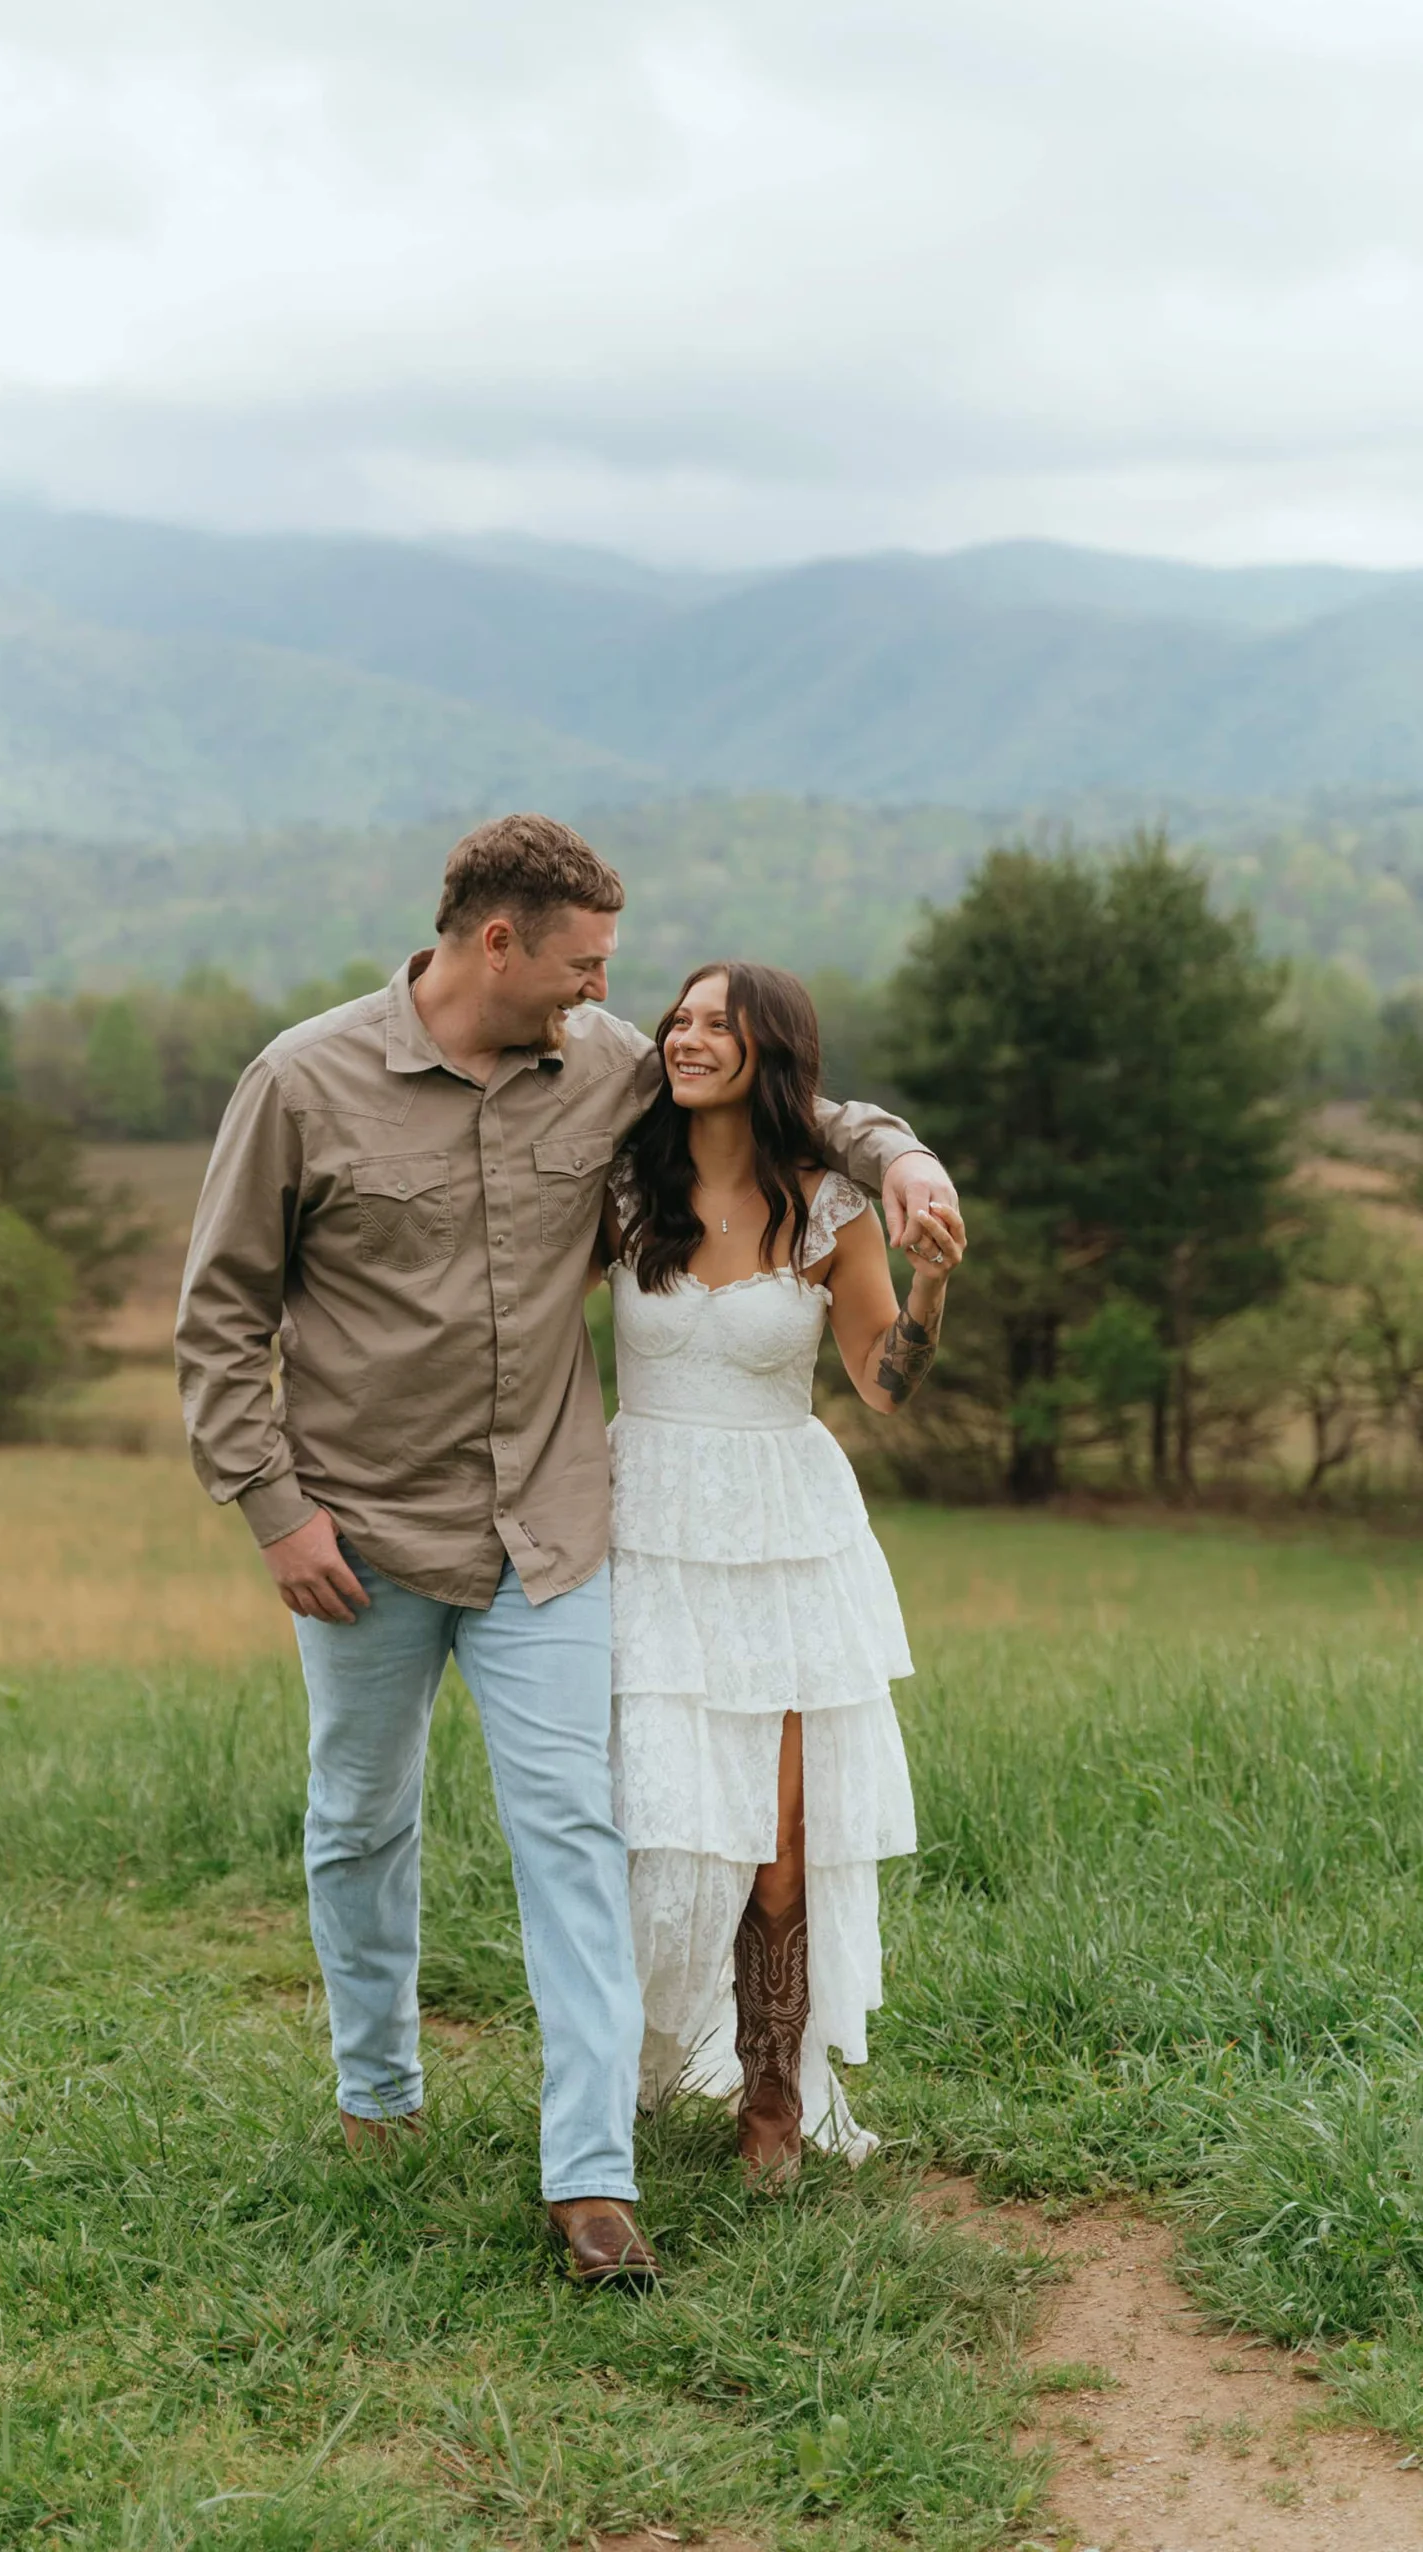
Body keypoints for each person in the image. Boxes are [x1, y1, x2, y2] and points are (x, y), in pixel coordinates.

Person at [175, 814, 963, 2284]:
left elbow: (794, 1104)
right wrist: (272, 1509)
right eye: (588, 966)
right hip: (359, 1533)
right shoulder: (302, 1079)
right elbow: (220, 1314)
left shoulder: (595, 1064)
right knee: (360, 1821)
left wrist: (901, 1156)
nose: (613, 998)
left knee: (576, 1839)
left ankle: (590, 2179)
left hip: (549, 1532)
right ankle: (377, 2094)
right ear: (498, 942)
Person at [602, 961, 963, 2181]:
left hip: (788, 1529)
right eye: (682, 1019)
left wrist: (933, 1282)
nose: (689, 1038)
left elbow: (884, 1382)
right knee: (660, 1819)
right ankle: (633, 2067)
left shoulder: (823, 1207)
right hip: (645, 1520)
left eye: (720, 1025)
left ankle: (772, 2095)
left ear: (773, 1053)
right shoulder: (620, 1187)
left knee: (783, 1833)